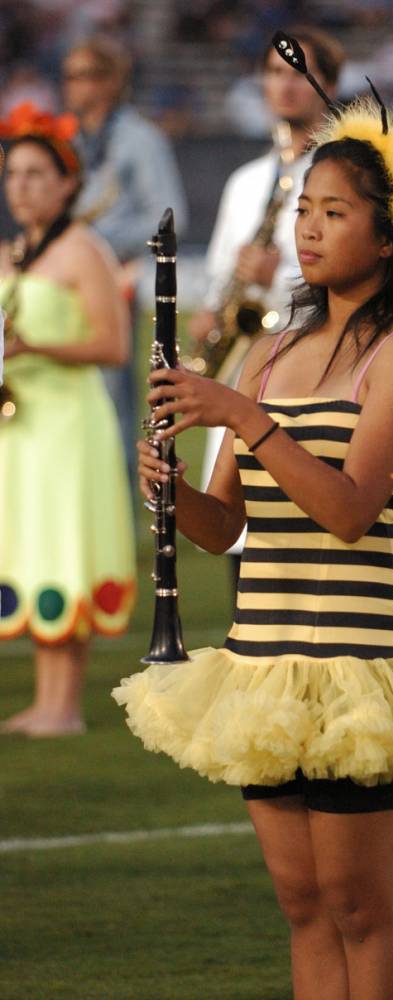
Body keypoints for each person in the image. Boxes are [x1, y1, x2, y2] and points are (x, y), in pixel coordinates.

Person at [113, 79, 393, 999]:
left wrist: (241, 415)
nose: (308, 229)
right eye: (304, 209)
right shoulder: (269, 349)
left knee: (359, 904)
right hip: (265, 662)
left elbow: (349, 511)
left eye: (335, 213)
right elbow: (227, 529)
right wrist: (170, 493)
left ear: (387, 236)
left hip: (359, 660)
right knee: (302, 904)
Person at [187, 27, 345, 598]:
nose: (284, 85)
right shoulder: (246, 180)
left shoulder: (344, 176)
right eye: (275, 72)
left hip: (315, 364)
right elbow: (221, 273)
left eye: (299, 72)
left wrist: (276, 277)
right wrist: (209, 313)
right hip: (245, 367)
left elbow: (352, 273)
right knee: (241, 528)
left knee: (307, 528)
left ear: (328, 85)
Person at [0, 102, 135, 737]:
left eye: (34, 173)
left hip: (68, 423)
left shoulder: (85, 250)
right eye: (13, 174)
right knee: (32, 549)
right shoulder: (13, 252)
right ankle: (44, 701)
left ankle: (66, 705)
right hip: (21, 427)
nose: (20, 186)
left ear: (67, 183)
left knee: (65, 548)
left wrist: (33, 349)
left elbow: (114, 346)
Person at [62, 35, 189, 492]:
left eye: (86, 75)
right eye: (70, 75)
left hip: (112, 281)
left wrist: (92, 245)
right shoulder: (69, 139)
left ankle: (117, 507)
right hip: (63, 286)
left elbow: (171, 213)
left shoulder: (140, 139)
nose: (74, 86)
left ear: (113, 80)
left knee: (111, 399)